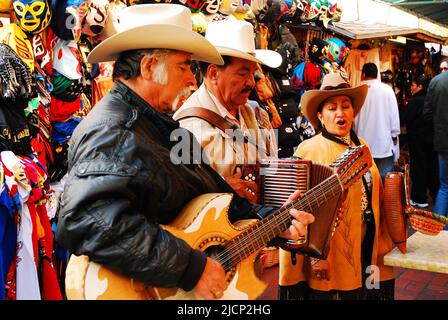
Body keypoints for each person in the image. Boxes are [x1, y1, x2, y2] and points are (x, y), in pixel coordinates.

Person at [55, 4, 314, 300]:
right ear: (149, 67)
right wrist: (190, 267)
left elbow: (212, 196)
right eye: (183, 67)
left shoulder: (160, 125)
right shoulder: (112, 130)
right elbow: (87, 219)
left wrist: (274, 221)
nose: (192, 80)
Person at [279, 72, 395, 300]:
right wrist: (316, 257)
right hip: (328, 253)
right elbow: (297, 212)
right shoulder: (308, 150)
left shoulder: (362, 146)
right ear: (320, 116)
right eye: (332, 108)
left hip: (364, 242)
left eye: (346, 106)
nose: (340, 113)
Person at [173, 19, 281, 204]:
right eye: (242, 73)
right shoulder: (184, 127)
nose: (251, 82)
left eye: (253, 73)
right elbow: (180, 199)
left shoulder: (258, 114)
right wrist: (221, 188)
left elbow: (273, 171)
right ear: (214, 73)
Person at [353, 63, 400, 182]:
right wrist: (394, 138)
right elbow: (394, 119)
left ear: (363, 74)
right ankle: (382, 201)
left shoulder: (356, 91)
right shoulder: (387, 91)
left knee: (365, 183)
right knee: (385, 182)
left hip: (362, 146)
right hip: (383, 145)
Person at [405, 74, 438, 209]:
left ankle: (419, 198)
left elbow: (404, 117)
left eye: (413, 85)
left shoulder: (415, 101)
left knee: (418, 168)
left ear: (420, 86)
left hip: (417, 140)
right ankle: (435, 195)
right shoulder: (432, 99)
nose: (411, 88)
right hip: (432, 139)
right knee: (431, 167)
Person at [423, 65, 448, 223]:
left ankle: (440, 226)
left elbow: (427, 113)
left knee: (445, 185)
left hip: (442, 141)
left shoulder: (436, 82)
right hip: (441, 139)